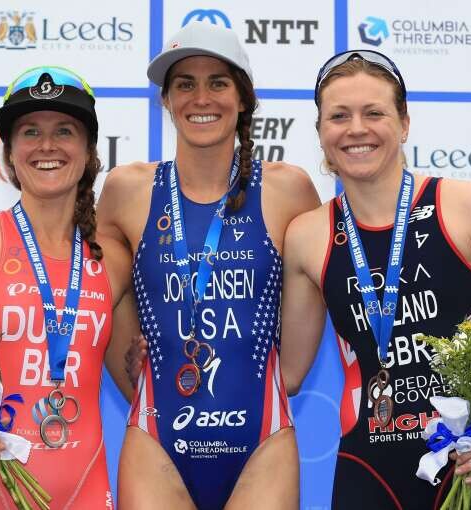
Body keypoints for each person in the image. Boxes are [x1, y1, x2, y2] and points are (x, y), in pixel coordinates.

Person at [278, 50, 471, 509]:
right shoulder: (307, 236)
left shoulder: (468, 207)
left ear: (404, 124)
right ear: (320, 132)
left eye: (373, 113)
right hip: (368, 468)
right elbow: (289, 373)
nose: (356, 129)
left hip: (469, 463)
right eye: (339, 116)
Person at [98, 22, 320, 510]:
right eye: (185, 84)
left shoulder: (289, 189)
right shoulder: (126, 190)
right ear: (166, 100)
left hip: (261, 442)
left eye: (218, 82)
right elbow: (83, 279)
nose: (201, 98)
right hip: (156, 441)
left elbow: (301, 351)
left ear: (243, 98)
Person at [0, 66, 135, 509]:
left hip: (86, 491)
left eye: (64, 131)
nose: (47, 146)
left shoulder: (112, 259)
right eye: (30, 132)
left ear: (89, 150)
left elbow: (137, 382)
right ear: (9, 153)